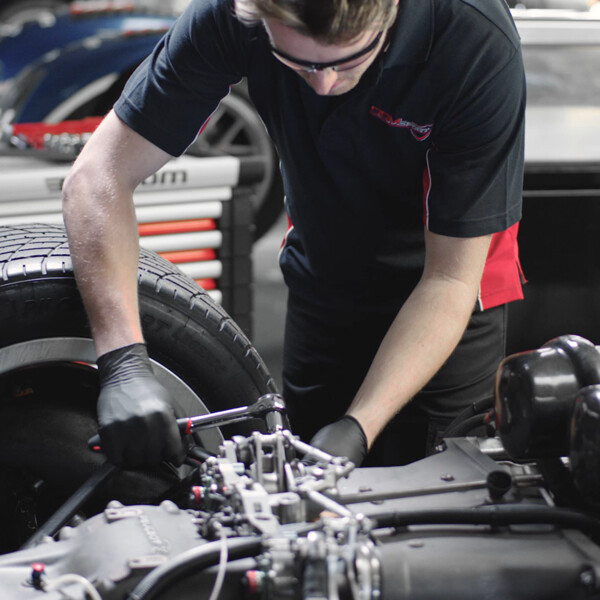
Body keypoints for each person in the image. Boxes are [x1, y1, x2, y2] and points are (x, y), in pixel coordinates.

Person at [62, 0, 526, 468]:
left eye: (348, 61)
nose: (323, 84)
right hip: (325, 273)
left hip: (449, 295)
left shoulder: (474, 39)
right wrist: (122, 360)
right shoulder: (231, 14)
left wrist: (359, 425)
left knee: (430, 501)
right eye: (298, 64)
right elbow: (96, 176)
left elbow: (450, 280)